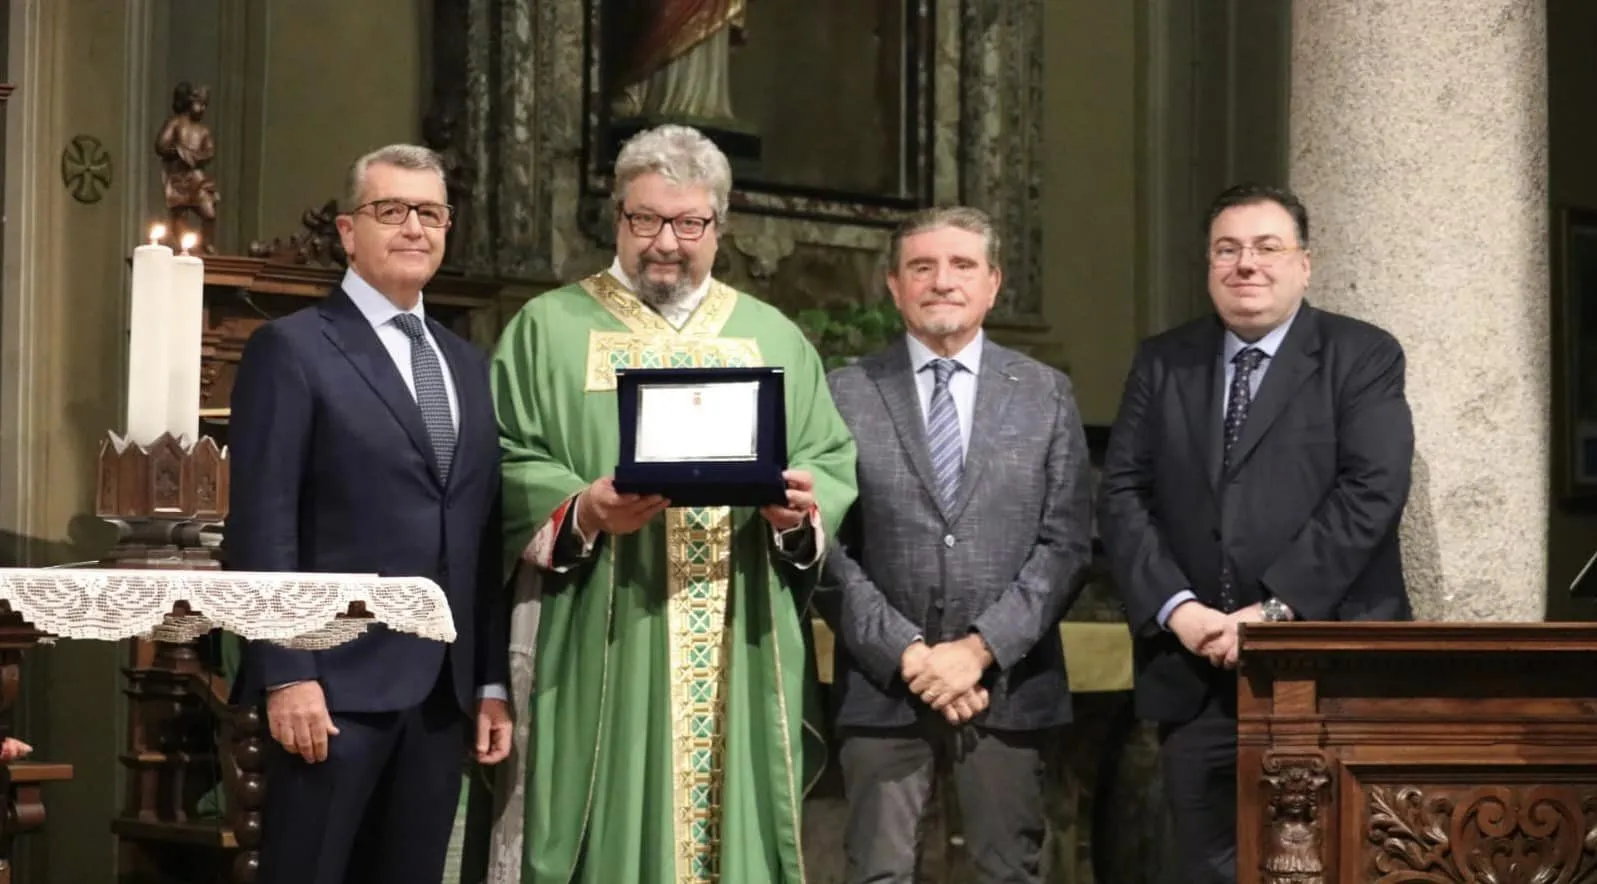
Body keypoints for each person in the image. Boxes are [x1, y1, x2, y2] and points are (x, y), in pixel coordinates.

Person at [487, 123, 857, 883]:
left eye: (689, 223)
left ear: (719, 225)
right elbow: (503, 458)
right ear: (617, 217)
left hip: (737, 635)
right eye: (646, 219)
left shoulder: (771, 337)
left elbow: (826, 459)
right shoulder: (548, 331)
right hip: (598, 628)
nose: (666, 243)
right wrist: (582, 510)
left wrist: (797, 516)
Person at [1097, 183, 1414, 883]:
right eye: (1227, 250)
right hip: (1195, 667)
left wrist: (1270, 614)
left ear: (1304, 263)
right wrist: (1178, 610)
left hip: (1327, 665)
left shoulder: (1361, 355)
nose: (1246, 264)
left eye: (1267, 247)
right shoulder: (1163, 360)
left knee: (1336, 863)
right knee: (1205, 865)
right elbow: (1121, 494)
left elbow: (1371, 490)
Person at [225, 144, 511, 884]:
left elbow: (479, 534)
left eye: (431, 213)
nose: (414, 227)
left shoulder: (468, 364)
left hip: (442, 694)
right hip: (332, 690)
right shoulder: (293, 349)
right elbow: (262, 526)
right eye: (391, 210)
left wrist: (488, 682)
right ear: (349, 232)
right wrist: (287, 673)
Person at [817, 206, 1092, 883]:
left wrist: (976, 651)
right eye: (922, 267)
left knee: (1009, 872)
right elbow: (823, 548)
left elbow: (1065, 544)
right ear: (894, 285)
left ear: (992, 283)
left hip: (1007, 687)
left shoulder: (1044, 394)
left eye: (962, 265)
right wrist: (909, 655)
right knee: (876, 874)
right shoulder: (843, 393)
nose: (942, 281)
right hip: (883, 687)